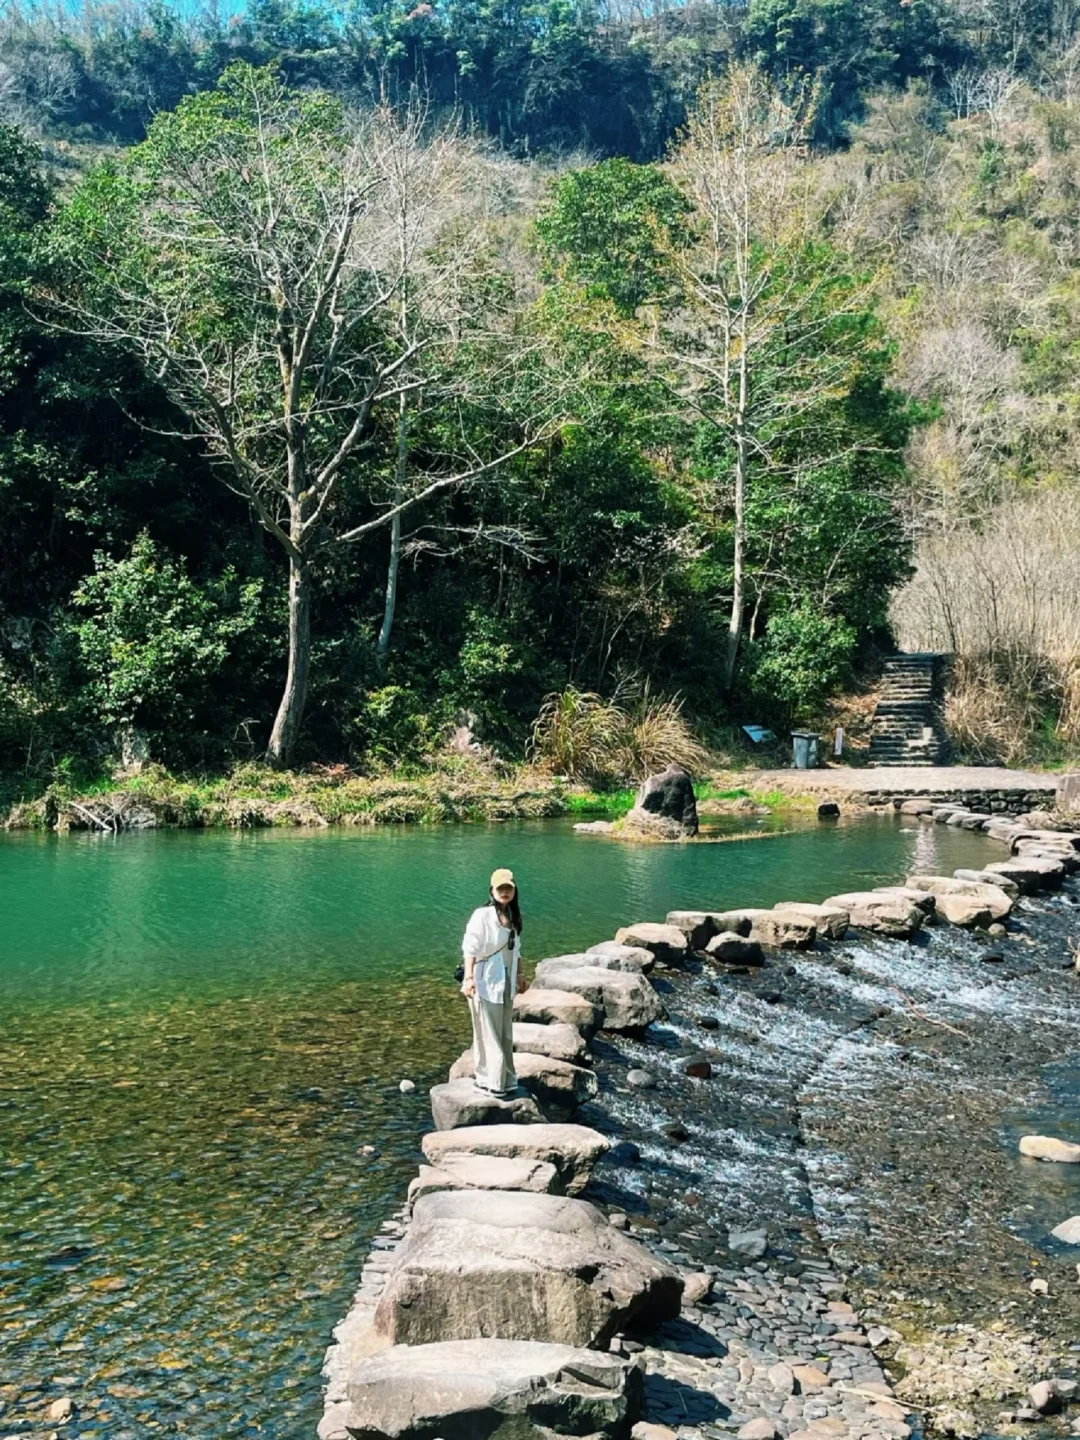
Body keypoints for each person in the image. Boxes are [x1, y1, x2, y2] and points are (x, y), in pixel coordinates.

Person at [460, 868, 527, 1097]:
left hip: (505, 979)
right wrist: (469, 978)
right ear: (492, 891)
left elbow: (516, 949)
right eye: (500, 888)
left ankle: (503, 1081)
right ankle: (493, 1080)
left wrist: (520, 976)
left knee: (503, 1031)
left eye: (508, 888)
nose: (504, 892)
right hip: (486, 979)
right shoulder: (482, 915)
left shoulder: (513, 916)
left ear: (514, 891)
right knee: (486, 1030)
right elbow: (470, 948)